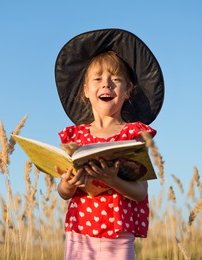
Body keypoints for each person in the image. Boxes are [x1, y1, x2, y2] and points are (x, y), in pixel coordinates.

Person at [53, 29, 164, 259]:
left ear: (127, 91)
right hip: (79, 237)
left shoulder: (133, 135)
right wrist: (68, 184)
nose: (107, 85)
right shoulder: (76, 137)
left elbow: (140, 192)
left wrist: (113, 180)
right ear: (86, 91)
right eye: (98, 79)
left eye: (115, 80)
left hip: (119, 239)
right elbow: (64, 193)